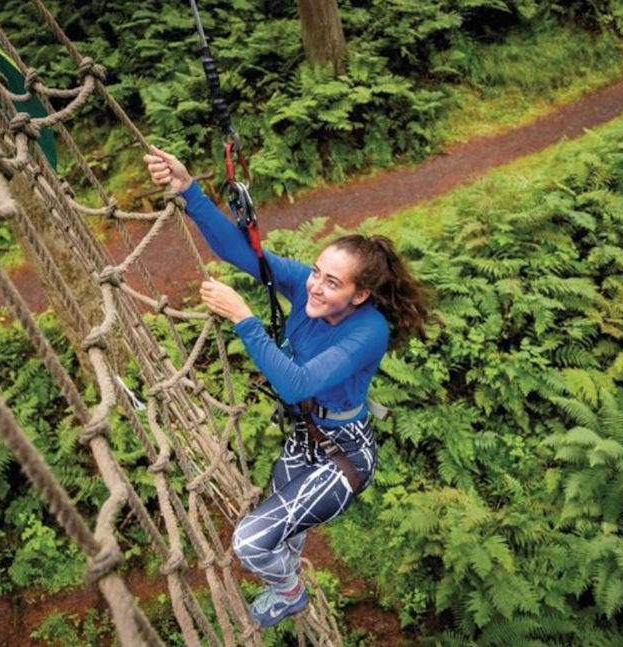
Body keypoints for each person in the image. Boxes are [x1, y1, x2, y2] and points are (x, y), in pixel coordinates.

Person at [144, 146, 430, 628]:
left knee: (251, 543)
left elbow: (297, 384)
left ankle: (289, 591)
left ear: (359, 295)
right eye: (316, 272)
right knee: (285, 536)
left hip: (345, 455)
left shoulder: (367, 331)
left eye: (332, 283)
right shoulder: (304, 288)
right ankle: (289, 578)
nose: (316, 287)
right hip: (306, 437)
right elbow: (244, 254)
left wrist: (244, 318)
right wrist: (188, 189)